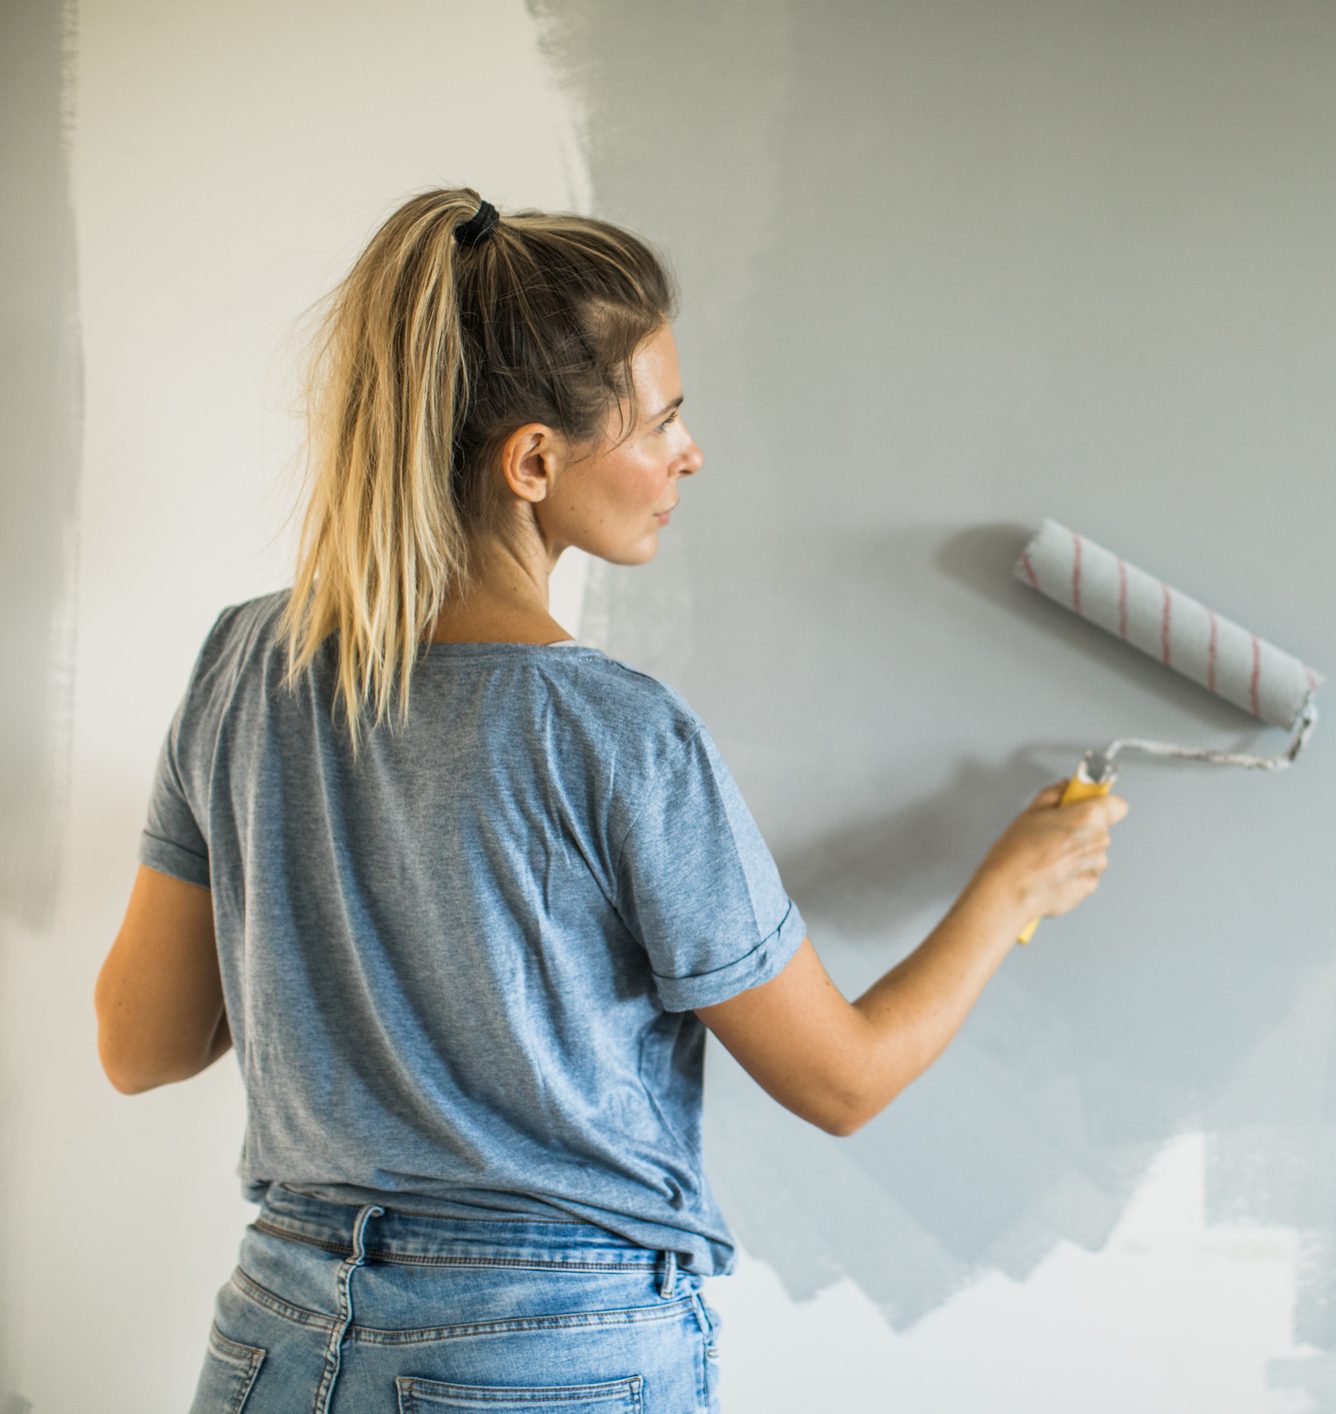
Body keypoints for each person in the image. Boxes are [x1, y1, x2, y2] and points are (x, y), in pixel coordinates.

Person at [90, 187, 1129, 1414]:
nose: (690, 451)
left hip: (279, 1338)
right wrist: (1016, 882)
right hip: (544, 1355)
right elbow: (840, 1081)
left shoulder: (244, 663)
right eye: (665, 420)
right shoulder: (616, 731)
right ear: (534, 460)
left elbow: (141, 1044)